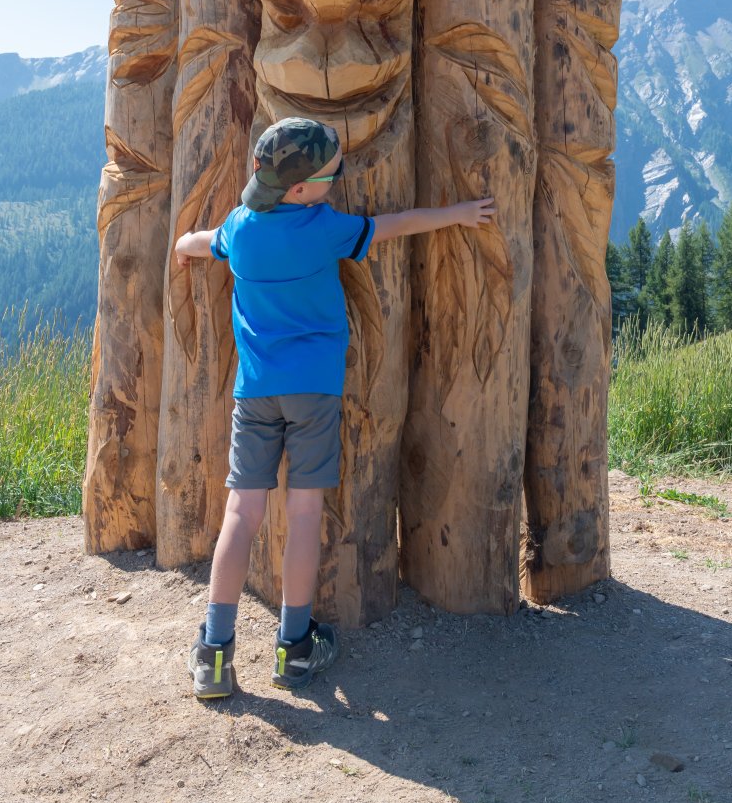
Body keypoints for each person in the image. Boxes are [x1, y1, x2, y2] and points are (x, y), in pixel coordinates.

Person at [176, 115, 495, 701]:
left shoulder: (240, 228)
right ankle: (294, 646)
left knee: (241, 514)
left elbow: (201, 242)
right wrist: (457, 213)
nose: (338, 180)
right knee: (304, 515)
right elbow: (397, 225)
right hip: (315, 393)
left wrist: (181, 246)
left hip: (255, 393)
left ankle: (214, 653)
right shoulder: (324, 229)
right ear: (301, 189)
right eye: (332, 174)